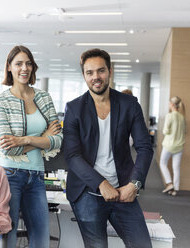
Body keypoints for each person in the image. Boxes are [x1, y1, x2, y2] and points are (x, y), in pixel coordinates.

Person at [63, 48, 153, 248]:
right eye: (90, 72)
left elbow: (145, 147)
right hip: (88, 191)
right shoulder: (74, 108)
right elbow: (72, 155)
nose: (96, 77)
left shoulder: (129, 104)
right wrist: (101, 183)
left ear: (109, 71)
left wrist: (135, 184)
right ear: (84, 75)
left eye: (101, 71)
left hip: (123, 190)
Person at [0, 45, 63, 248]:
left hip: (37, 175)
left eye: (28, 63)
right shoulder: (1, 100)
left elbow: (57, 141)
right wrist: (43, 139)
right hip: (9, 174)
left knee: (41, 239)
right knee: (8, 236)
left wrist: (24, 140)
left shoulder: (44, 97)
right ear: (9, 68)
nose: (24, 68)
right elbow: (7, 148)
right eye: (18, 64)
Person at [160, 96, 186, 196]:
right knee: (176, 168)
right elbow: (185, 131)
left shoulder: (169, 116)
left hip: (169, 145)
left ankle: (169, 183)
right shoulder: (182, 117)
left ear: (171, 104)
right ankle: (175, 189)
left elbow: (165, 131)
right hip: (179, 146)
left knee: (163, 163)